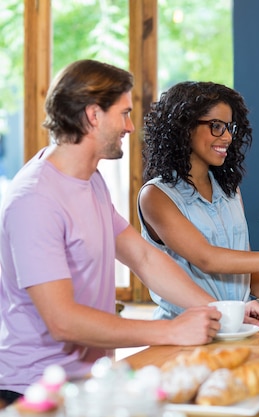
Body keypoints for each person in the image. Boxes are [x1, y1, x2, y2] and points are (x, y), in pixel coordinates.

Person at [0, 60, 223, 405]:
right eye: (124, 113)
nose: (131, 127)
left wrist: (219, 309)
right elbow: (62, 321)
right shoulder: (35, 199)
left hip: (90, 383)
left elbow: (145, 258)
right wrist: (170, 331)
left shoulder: (90, 181)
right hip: (37, 391)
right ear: (93, 115)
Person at [139, 81, 259, 323]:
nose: (227, 137)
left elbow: (245, 273)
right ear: (184, 127)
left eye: (229, 127)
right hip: (184, 334)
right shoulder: (156, 196)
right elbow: (208, 259)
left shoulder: (229, 191)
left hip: (239, 326)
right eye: (216, 126)